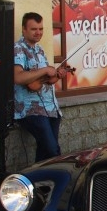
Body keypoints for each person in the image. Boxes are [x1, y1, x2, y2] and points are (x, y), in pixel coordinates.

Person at [14, 12, 72, 162]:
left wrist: (56, 75)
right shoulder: (18, 49)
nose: (38, 32)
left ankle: (37, 183)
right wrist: (46, 70)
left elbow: (42, 80)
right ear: (24, 29)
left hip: (50, 108)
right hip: (32, 110)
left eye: (41, 29)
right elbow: (18, 77)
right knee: (53, 150)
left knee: (44, 153)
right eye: (34, 29)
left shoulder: (39, 50)